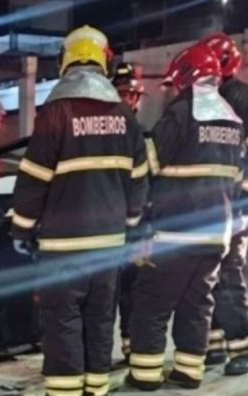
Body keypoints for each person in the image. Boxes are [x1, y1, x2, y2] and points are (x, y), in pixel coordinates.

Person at [11, 25, 149, 396]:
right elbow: (138, 179)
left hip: (63, 243)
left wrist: (22, 228)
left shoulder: (56, 112)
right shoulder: (124, 115)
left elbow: (34, 179)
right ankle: (95, 388)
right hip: (109, 243)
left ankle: (64, 395)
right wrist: (131, 222)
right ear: (104, 61)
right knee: (100, 316)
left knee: (63, 316)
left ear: (65, 60)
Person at [125, 44, 244, 391]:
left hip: (176, 232)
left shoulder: (181, 113)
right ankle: (190, 371)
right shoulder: (231, 118)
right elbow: (235, 176)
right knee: (197, 304)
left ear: (187, 77)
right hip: (215, 234)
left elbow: (152, 165)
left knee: (151, 302)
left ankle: (145, 375)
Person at [199, 33, 248, 376]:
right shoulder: (206, 99)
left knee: (228, 277)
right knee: (207, 277)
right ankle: (214, 345)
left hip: (236, 205)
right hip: (213, 204)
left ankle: (243, 345)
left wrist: (246, 197)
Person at [110, 62, 147, 362]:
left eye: (130, 95)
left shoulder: (143, 135)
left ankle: (131, 344)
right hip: (107, 223)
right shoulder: (107, 131)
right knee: (107, 290)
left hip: (133, 223)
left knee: (132, 289)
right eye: (122, 94)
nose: (127, 100)